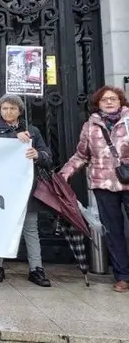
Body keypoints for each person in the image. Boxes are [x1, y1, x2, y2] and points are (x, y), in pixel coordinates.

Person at [60, 86, 129, 292]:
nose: (109, 102)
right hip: (103, 184)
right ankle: (123, 276)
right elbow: (82, 155)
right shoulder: (90, 126)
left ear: (121, 102)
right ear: (98, 104)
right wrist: (65, 173)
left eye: (113, 99)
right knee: (113, 231)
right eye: (104, 100)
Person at [0, 94, 52, 287]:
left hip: (25, 188)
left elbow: (48, 156)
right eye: (5, 108)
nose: (8, 112)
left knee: (30, 229)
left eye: (13, 109)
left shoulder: (32, 130)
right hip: (1, 189)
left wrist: (38, 155)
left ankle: (36, 269)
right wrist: (14, 138)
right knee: (1, 227)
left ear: (20, 111)